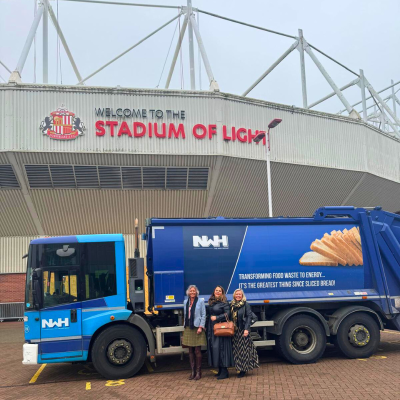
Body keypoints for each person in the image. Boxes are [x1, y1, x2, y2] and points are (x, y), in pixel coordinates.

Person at [207, 285, 234, 380]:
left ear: (222, 293)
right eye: (216, 290)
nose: (218, 292)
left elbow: (228, 314)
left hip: (221, 328)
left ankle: (224, 371)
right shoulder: (212, 302)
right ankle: (220, 370)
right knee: (215, 349)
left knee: (222, 348)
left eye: (219, 291)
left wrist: (217, 317)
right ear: (214, 292)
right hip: (212, 327)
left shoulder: (224, 303)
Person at [230, 288, 259, 377]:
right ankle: (239, 368)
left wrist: (246, 329)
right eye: (236, 294)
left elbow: (249, 317)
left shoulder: (246, 304)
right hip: (235, 331)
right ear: (234, 295)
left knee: (244, 351)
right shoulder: (232, 305)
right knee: (236, 351)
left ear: (242, 296)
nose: (238, 296)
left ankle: (244, 370)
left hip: (243, 330)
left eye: (240, 294)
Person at [182, 285, 206, 380]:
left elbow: (203, 314)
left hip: (197, 327)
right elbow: (185, 315)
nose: (192, 292)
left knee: (197, 351)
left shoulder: (200, 301)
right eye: (191, 291)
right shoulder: (185, 302)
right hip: (188, 327)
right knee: (190, 351)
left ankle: (198, 372)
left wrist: (201, 327)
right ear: (188, 292)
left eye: (194, 291)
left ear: (196, 292)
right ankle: (192, 372)